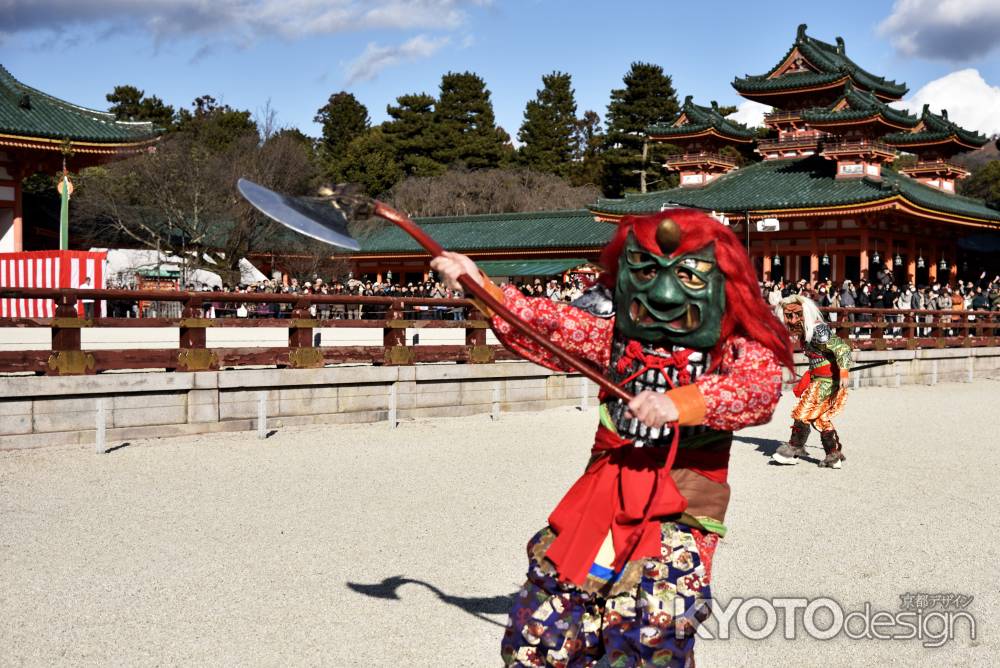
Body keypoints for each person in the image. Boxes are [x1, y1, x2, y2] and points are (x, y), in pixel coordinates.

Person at [432, 209, 792, 666]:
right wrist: (478, 283)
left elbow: (758, 389)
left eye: (686, 274)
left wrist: (682, 403)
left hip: (679, 508)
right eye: (645, 271)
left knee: (652, 627)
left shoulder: (736, 347)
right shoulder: (615, 336)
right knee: (546, 621)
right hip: (602, 496)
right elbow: (551, 326)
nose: (663, 291)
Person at [771, 295, 852, 468]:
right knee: (820, 418)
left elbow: (842, 349)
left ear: (805, 312)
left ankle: (792, 450)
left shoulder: (818, 331)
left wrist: (844, 371)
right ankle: (833, 455)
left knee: (803, 412)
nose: (793, 320)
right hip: (818, 377)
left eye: (797, 314)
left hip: (826, 381)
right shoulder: (805, 332)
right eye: (788, 316)